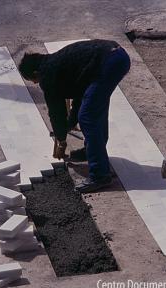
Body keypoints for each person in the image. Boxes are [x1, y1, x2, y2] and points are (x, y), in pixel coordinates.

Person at [18, 39, 131, 193]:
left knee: (88, 118)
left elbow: (56, 112)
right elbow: (81, 93)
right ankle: (91, 152)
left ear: (36, 73)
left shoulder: (48, 74)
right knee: (94, 110)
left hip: (108, 63)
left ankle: (100, 175)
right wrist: (71, 122)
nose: (38, 84)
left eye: (35, 81)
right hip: (117, 55)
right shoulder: (58, 63)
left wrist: (61, 138)